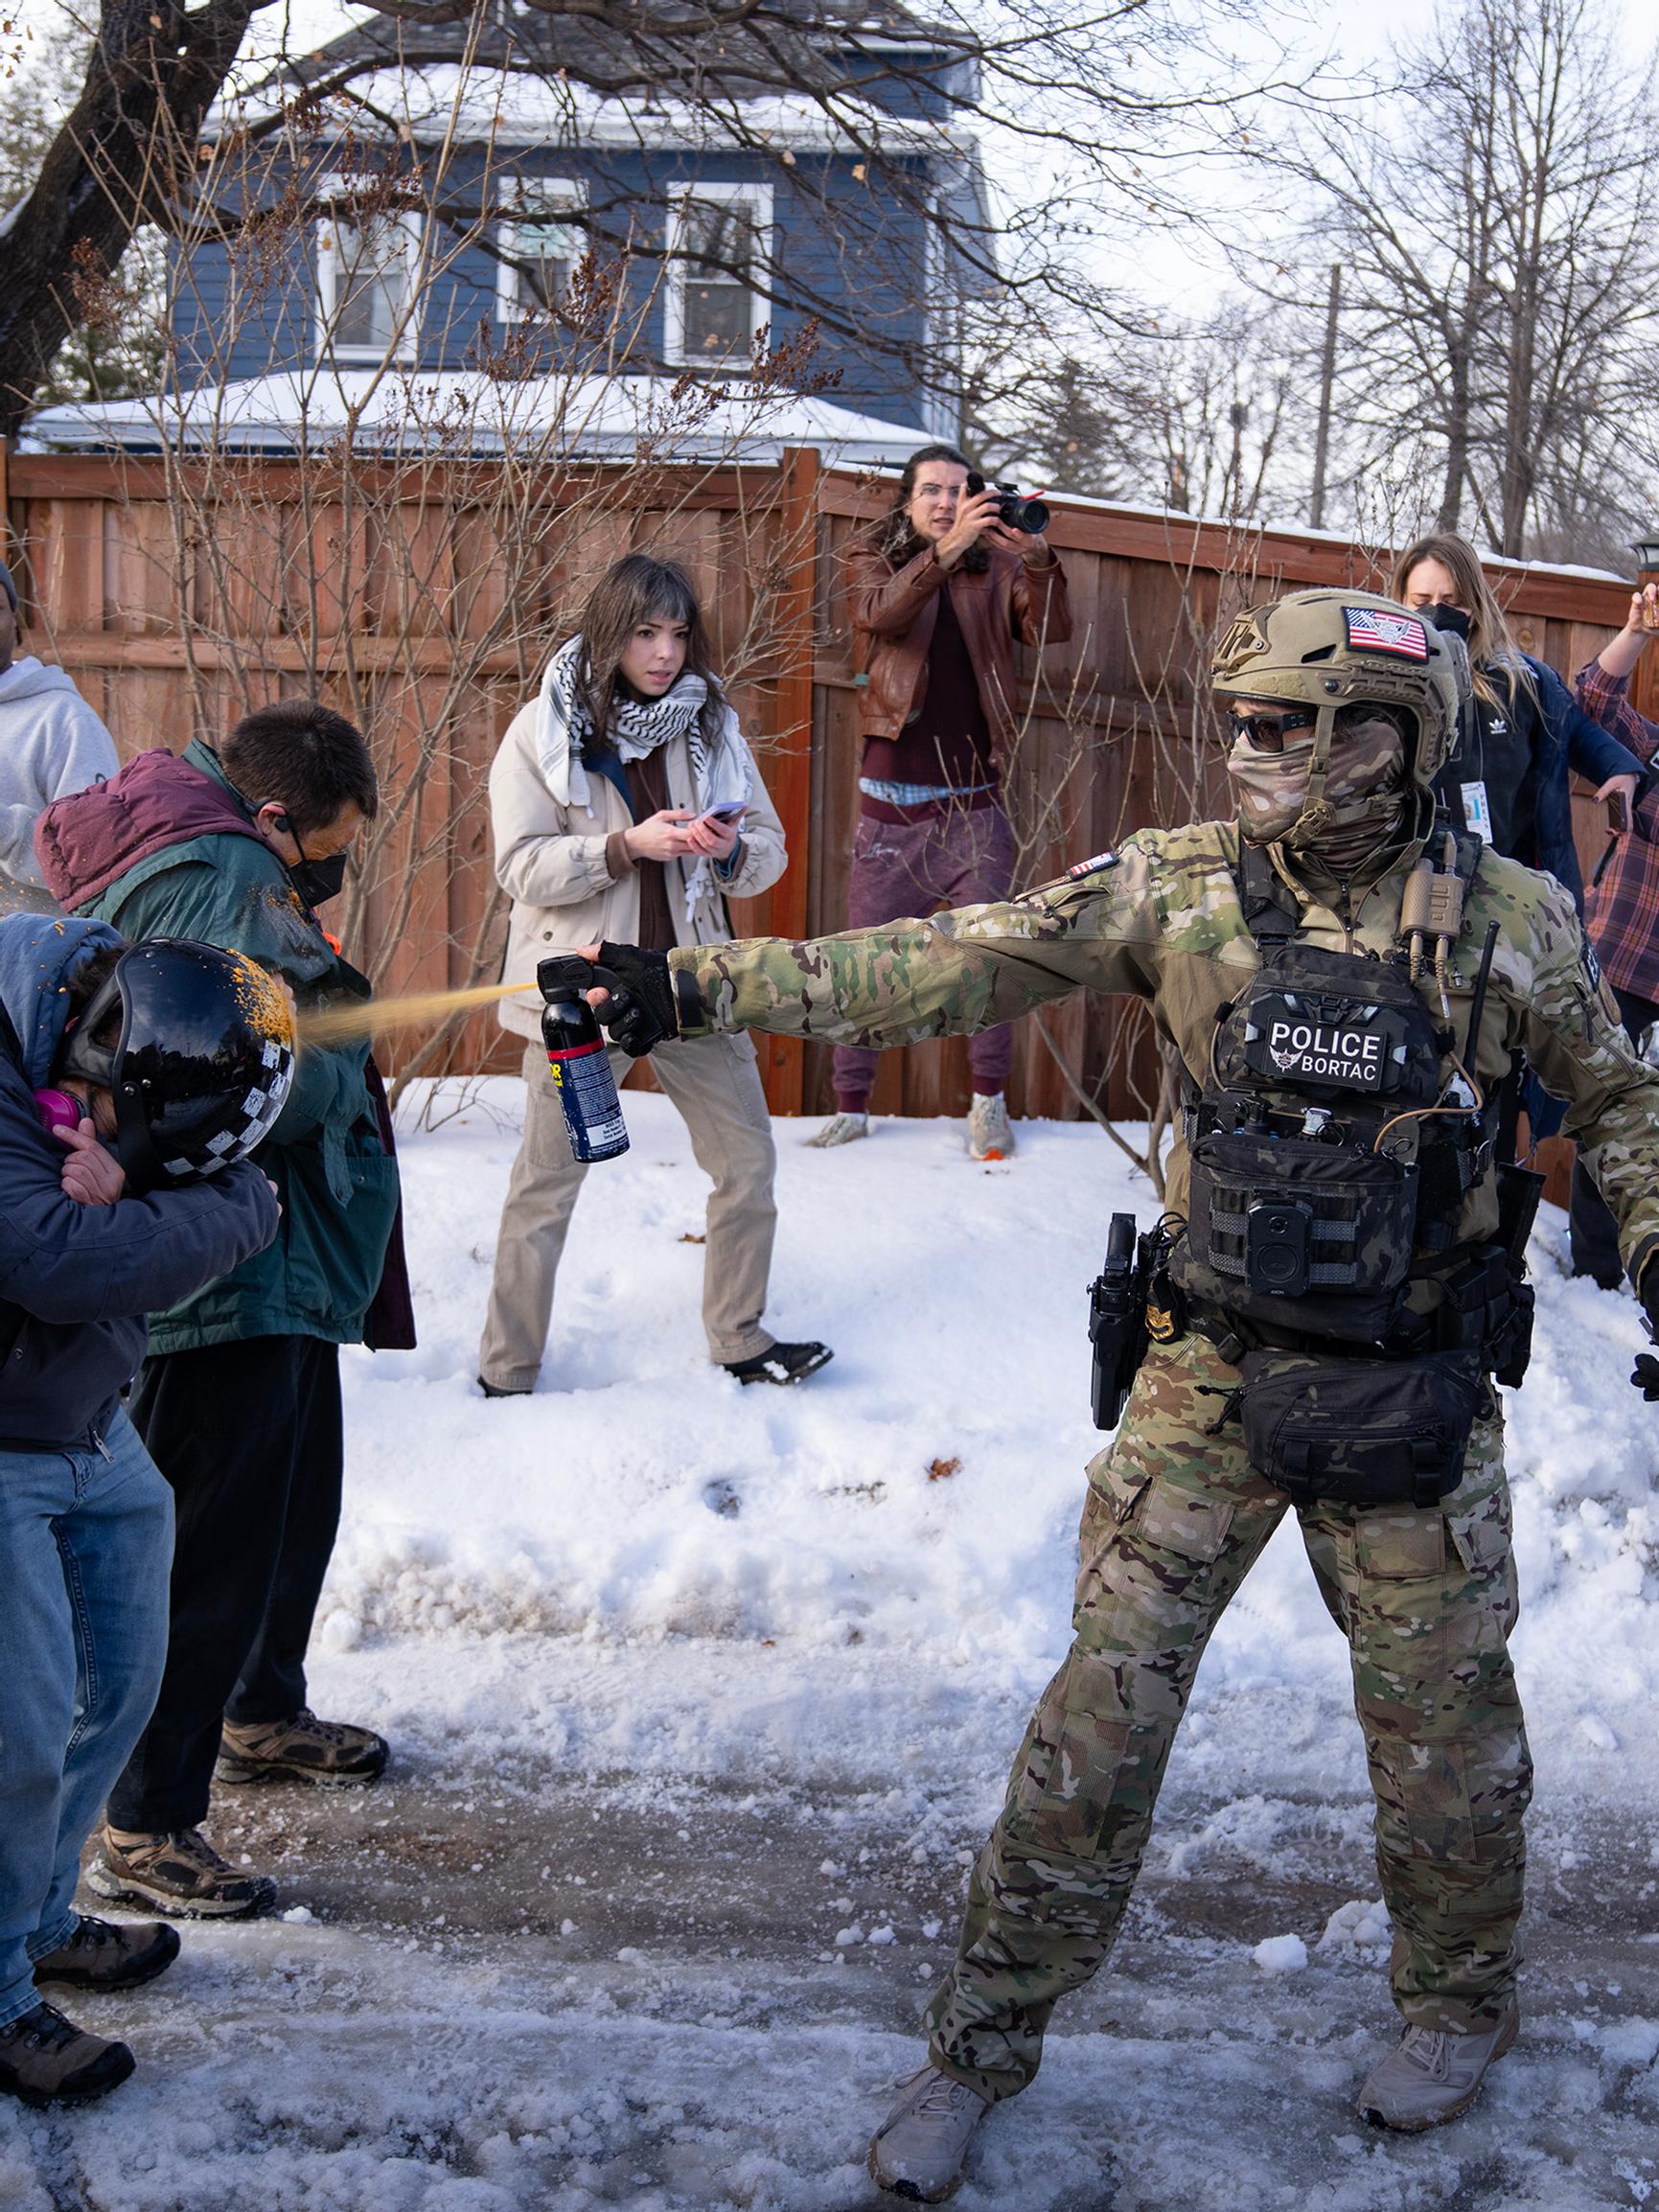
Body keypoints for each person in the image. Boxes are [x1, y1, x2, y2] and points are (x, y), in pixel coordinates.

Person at [556, 588, 1659, 2195]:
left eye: (1288, 726)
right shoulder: (1174, 885)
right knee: (1096, 1723)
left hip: (1411, 1395)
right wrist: (695, 989)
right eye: (1248, 723)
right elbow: (945, 963)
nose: (1254, 751)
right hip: (1208, 1373)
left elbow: (1619, 1098)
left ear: (1386, 735)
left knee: (1447, 1745)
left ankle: (1458, 2002)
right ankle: (976, 2044)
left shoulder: (1506, 918)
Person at [34, 701, 407, 1919]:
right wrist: (345, 1055)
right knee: (204, 1549)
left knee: (290, 1509)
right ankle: (142, 1821)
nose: (336, 868)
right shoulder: (223, 879)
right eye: (332, 844)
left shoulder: (222, 855)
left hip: (272, 1260)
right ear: (272, 817)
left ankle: (260, 1706)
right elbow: (226, 1069)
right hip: (225, 1278)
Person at [0, 917, 286, 2105]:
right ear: (88, 1064)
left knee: (119, 1686)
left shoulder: (153, 1015)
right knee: (12, 1734)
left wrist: (169, 1191)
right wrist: (215, 1206)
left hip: (89, 1425)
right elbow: (56, 1256)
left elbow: (252, 1185)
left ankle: (34, 1913)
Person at [478, 552, 829, 1395]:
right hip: (586, 997)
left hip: (689, 989)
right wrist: (622, 847)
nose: (665, 652)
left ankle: (739, 1340)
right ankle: (505, 1373)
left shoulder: (712, 726)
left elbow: (766, 856)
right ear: (610, 634)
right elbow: (520, 866)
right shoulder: (543, 729)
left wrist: (729, 846)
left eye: (677, 633)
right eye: (644, 632)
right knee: (545, 1189)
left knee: (746, 1168)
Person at [809, 443, 1071, 1161]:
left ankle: (987, 1103)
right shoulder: (873, 558)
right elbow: (881, 616)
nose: (946, 502)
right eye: (931, 490)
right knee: (864, 965)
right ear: (908, 499)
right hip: (888, 809)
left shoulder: (999, 567)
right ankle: (850, 1107)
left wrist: (1040, 558)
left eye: (959, 490)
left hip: (974, 808)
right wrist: (944, 554)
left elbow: (1049, 632)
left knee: (988, 959)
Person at [1390, 531, 1644, 903]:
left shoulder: (1520, 680)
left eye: (1451, 600)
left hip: (1511, 887)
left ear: (1474, 605)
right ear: (1400, 603)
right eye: (1422, 600)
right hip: (1410, 883)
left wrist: (1618, 768)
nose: (1437, 611)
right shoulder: (1382, 685)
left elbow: (1572, 727)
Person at [1565, 581, 1659, 1286]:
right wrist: (1638, 631)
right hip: (1621, 967)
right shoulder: (1650, 754)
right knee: (1607, 1112)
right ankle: (1596, 1269)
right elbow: (1589, 703)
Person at [0, 556, 119, 912]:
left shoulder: (63, 721)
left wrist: (6, 831)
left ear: (14, 622)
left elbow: (100, 863)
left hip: (37, 955)